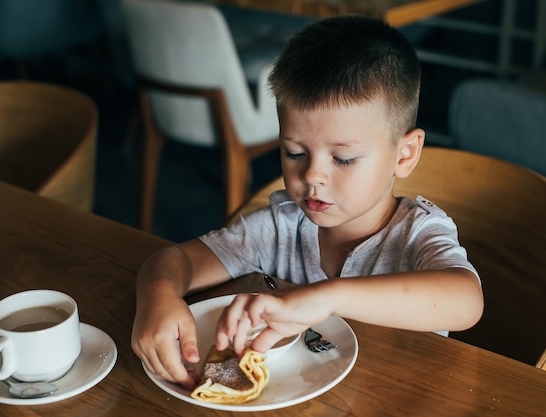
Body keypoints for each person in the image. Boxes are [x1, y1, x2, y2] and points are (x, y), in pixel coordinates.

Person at [131, 15, 484, 390]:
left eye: (343, 159)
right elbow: (175, 260)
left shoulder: (418, 233)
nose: (312, 176)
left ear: (404, 154)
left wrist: (324, 298)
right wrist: (157, 295)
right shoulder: (283, 225)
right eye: (295, 153)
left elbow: (466, 301)